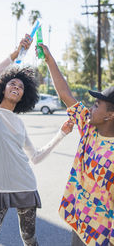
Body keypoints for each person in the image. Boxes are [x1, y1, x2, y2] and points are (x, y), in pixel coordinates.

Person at [0, 34, 74, 246]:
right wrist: (16, 53)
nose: (16, 87)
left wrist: (62, 133)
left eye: (21, 87)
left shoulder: (20, 123)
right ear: (2, 88)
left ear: (23, 96)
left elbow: (36, 157)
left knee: (29, 239)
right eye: (12, 83)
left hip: (25, 185)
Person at [39, 43, 114, 246]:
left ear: (110, 115)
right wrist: (49, 59)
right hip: (81, 225)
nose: (91, 107)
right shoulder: (89, 129)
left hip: (104, 236)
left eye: (97, 105)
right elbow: (65, 95)